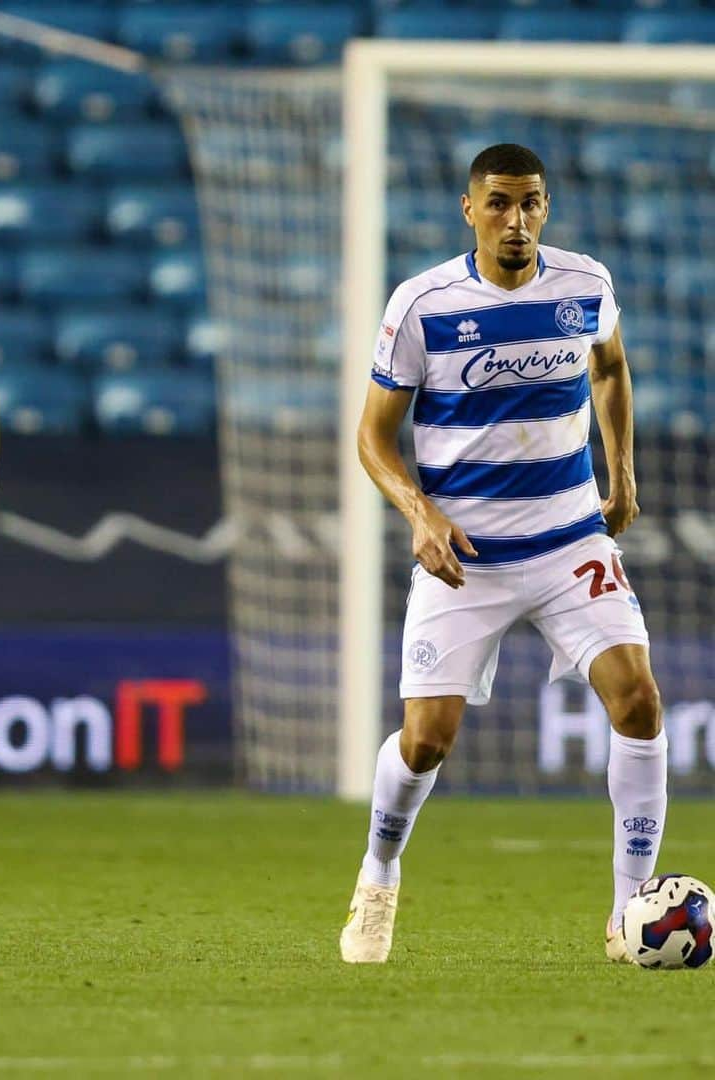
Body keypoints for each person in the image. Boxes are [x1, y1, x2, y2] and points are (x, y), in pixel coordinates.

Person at [340, 143, 662, 966]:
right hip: (466, 555)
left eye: (531, 204)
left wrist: (619, 474)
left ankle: (630, 916)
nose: (515, 221)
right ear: (469, 208)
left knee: (638, 701)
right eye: (499, 204)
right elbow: (373, 437)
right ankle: (378, 875)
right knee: (427, 741)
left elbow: (611, 369)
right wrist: (420, 513)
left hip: (568, 540)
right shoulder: (423, 304)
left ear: (545, 208)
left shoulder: (585, 285)